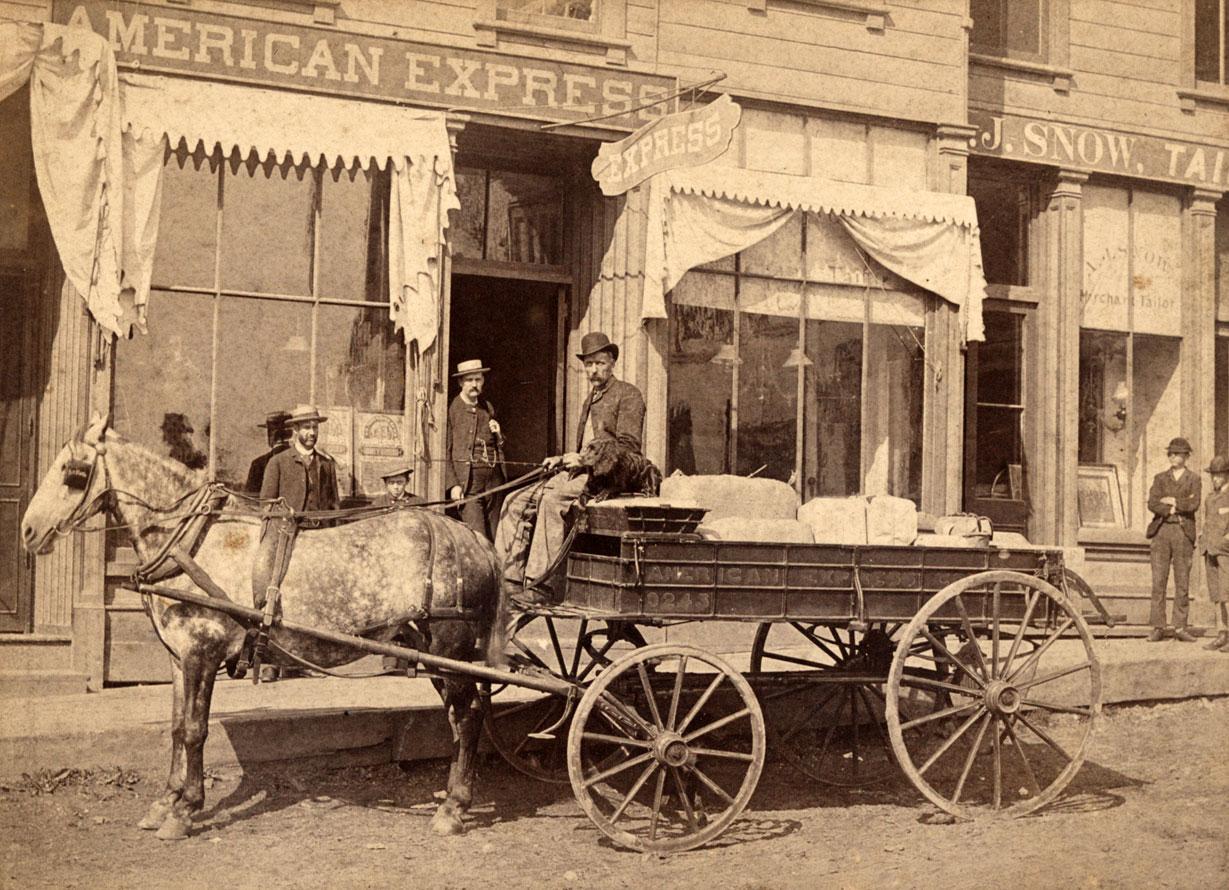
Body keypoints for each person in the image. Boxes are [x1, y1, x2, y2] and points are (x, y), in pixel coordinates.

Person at [496, 332, 645, 603]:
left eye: (600, 363)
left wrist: (584, 460)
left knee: (552, 502)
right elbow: (586, 448)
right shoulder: (591, 399)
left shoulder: (628, 395)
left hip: (609, 478)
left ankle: (542, 586)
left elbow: (628, 448)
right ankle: (509, 580)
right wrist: (562, 458)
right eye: (588, 364)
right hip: (582, 472)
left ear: (612, 362)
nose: (593, 370)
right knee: (514, 501)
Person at [1146, 436, 1200, 642]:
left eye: (1177, 453)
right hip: (1161, 531)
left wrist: (1174, 502)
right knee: (1158, 580)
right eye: (1170, 453)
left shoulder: (1194, 479)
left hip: (1182, 532)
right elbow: (1152, 503)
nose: (1173, 456)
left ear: (1186, 456)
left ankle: (1180, 626)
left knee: (1182, 580)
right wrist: (1170, 509)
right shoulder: (1160, 478)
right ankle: (1158, 626)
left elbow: (1194, 504)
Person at [444, 359, 504, 539]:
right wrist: (453, 485)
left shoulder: (487, 407)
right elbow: (445, 450)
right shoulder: (452, 410)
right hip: (468, 485)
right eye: (469, 380)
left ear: (483, 381)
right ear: (460, 382)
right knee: (477, 538)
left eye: (478, 379)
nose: (474, 384)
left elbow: (498, 444)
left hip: (494, 483)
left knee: (497, 537)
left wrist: (499, 434)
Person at [259, 404, 340, 525]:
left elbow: (334, 507)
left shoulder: (327, 464)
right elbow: (266, 506)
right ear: (295, 429)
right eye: (307, 427)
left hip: (321, 533)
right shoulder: (277, 462)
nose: (312, 433)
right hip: (290, 533)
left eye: (315, 427)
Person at [1200, 455, 1229, 652]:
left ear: (1227, 475)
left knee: (1227, 593)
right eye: (1213, 475)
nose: (1215, 479)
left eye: (1219, 475)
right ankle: (1222, 634)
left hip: (1226, 551)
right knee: (1217, 595)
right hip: (1210, 549)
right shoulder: (1210, 498)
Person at [245, 410, 291, 494]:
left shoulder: (258, 464)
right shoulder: (302, 460)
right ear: (290, 434)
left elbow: (250, 498)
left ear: (270, 435)